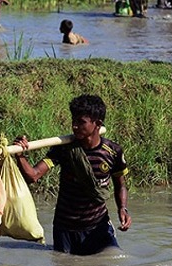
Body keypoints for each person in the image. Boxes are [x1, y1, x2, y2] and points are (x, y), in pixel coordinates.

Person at [14, 95, 131, 255]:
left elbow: (120, 184)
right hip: (65, 228)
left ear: (98, 124)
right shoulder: (64, 149)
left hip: (98, 226)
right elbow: (33, 176)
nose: (74, 126)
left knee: (112, 261)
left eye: (81, 122)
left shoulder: (112, 152)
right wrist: (19, 154)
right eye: (73, 121)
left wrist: (122, 209)